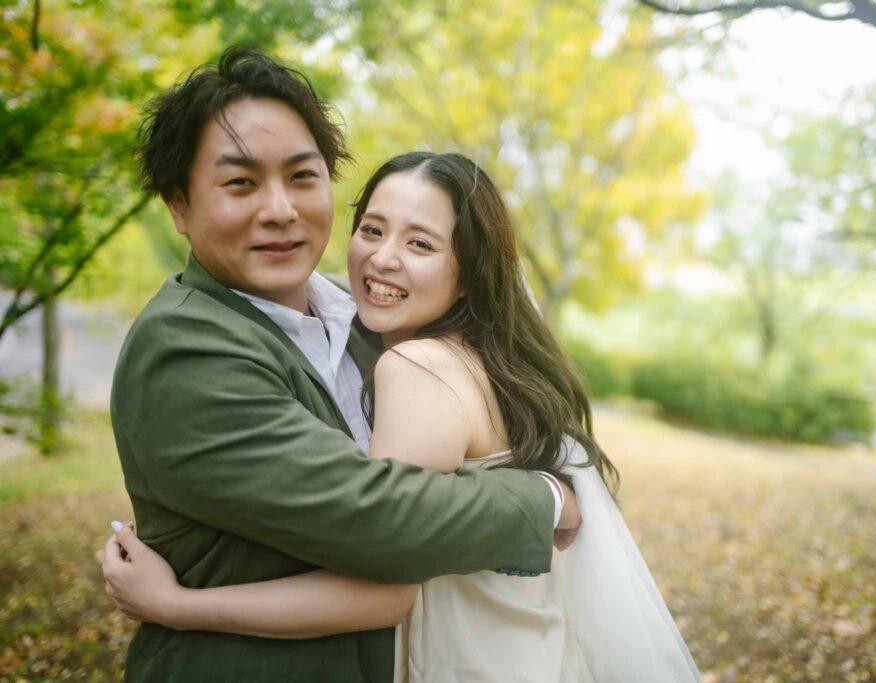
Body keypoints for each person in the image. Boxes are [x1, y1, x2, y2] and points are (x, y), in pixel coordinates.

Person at [104, 151, 704, 682]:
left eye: (420, 244)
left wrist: (176, 606)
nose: (383, 259)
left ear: (468, 274)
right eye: (372, 230)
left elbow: (384, 587)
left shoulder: (417, 367)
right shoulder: (492, 362)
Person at [106, 47, 581, 683]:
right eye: (241, 183)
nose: (280, 209)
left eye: (303, 176)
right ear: (179, 206)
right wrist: (543, 499)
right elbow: (378, 520)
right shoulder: (183, 348)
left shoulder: (366, 316)